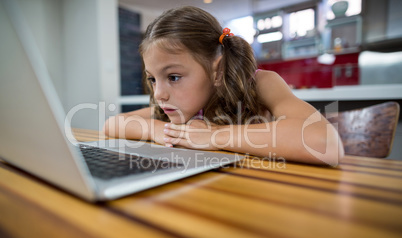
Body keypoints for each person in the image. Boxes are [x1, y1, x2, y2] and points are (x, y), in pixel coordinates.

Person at [103, 6, 344, 166]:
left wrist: (215, 136)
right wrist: (158, 130)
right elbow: (111, 124)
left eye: (173, 77)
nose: (159, 93)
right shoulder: (177, 106)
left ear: (217, 71)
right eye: (152, 79)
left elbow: (325, 143)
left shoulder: (261, 84)